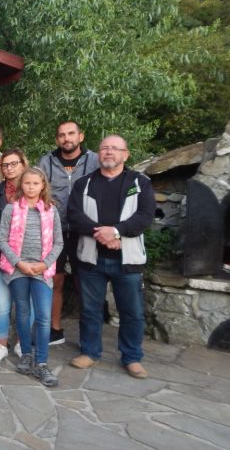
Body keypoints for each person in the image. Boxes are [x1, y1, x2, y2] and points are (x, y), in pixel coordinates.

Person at [67, 135, 155, 379]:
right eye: (105, 148)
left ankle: (132, 357)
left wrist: (116, 231)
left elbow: (145, 215)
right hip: (91, 258)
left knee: (132, 312)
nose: (109, 152)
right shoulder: (84, 183)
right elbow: (74, 215)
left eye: (115, 148)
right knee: (90, 310)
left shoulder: (140, 183)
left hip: (128, 260)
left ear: (125, 154)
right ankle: (90, 352)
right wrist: (102, 234)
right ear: (98, 154)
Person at [0, 167, 64, 387]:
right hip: (18, 268)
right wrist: (19, 263)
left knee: (43, 316)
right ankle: (26, 354)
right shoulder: (11, 209)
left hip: (42, 270)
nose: (31, 187)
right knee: (23, 312)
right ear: (21, 185)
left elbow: (59, 242)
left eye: (36, 183)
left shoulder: (51, 210)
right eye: (27, 183)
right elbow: (2, 240)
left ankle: (42, 362)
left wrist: (44, 264)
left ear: (43, 185)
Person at [37, 121, 99, 345]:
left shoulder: (94, 161)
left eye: (71, 133)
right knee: (55, 280)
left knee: (87, 282)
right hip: (56, 230)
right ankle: (55, 330)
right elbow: (36, 187)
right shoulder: (46, 162)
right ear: (57, 139)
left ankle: (89, 337)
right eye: (62, 135)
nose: (67, 138)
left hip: (86, 230)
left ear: (80, 136)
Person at [0, 148, 31, 362]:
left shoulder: (32, 189)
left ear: (23, 165)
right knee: (0, 304)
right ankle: (1, 345)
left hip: (28, 258)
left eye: (14, 163)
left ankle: (23, 343)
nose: (9, 168)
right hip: (1, 256)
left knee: (25, 305)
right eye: (5, 165)